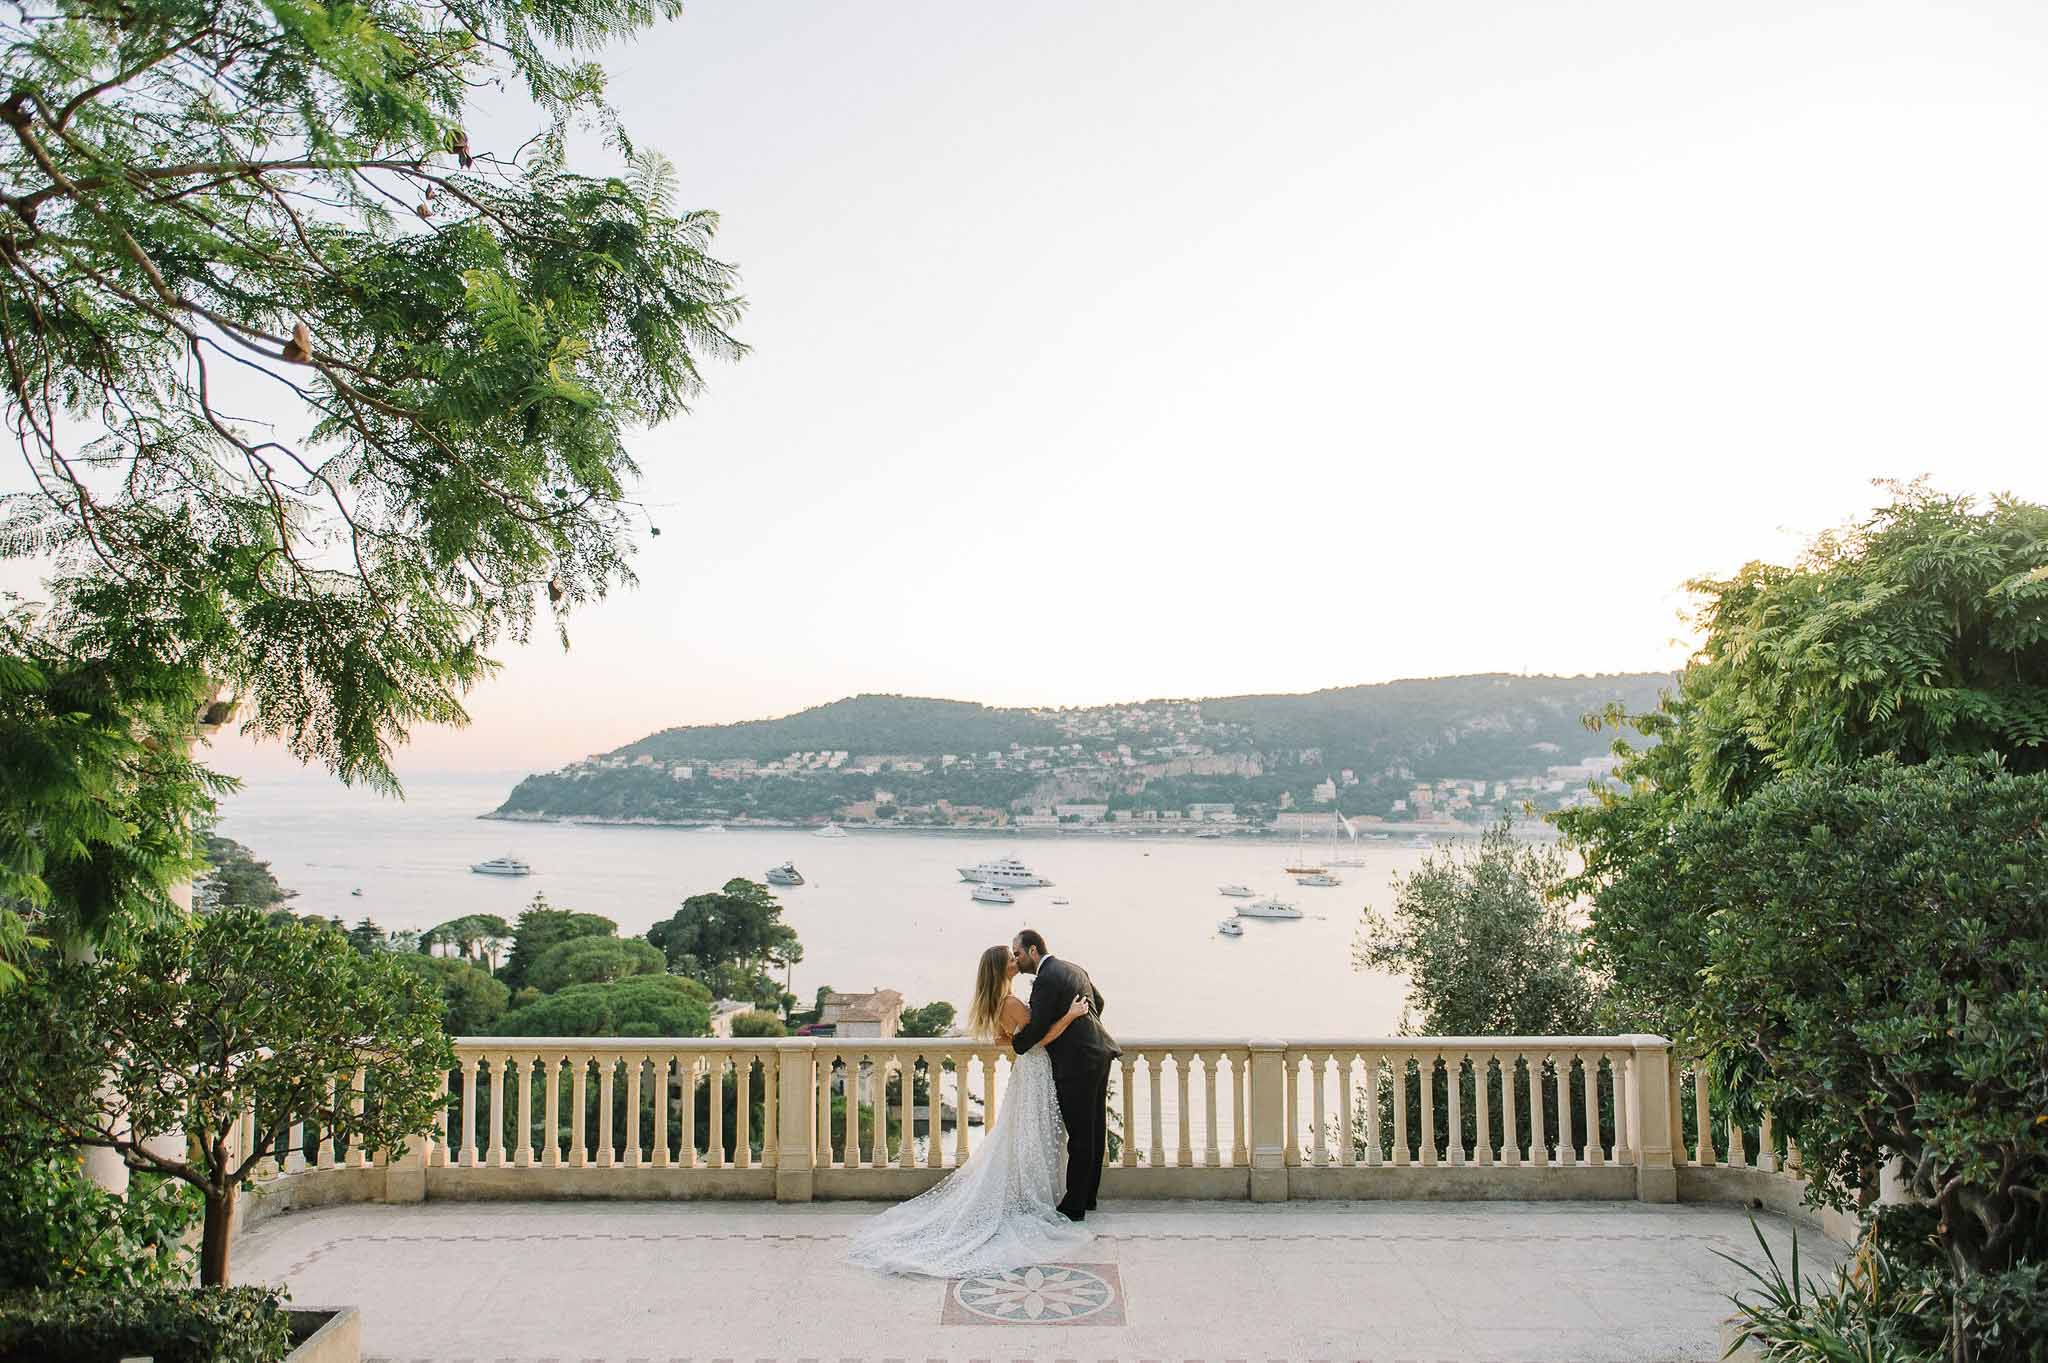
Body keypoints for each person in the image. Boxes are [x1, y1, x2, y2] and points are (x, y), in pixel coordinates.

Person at [845, 944, 1094, 1277]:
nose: (1016, 962)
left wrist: (1025, 1039)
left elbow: (1001, 1039)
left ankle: (1031, 1194)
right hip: (1035, 1072)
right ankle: (1035, 1199)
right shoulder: (1012, 1002)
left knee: (1024, 1135)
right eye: (1011, 960)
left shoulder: (997, 1002)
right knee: (1034, 1135)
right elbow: (1040, 1039)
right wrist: (1071, 1015)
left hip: (1027, 1072)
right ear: (1001, 968)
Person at [1008, 928, 1118, 1221]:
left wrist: (1016, 1043)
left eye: (1018, 953)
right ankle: (1088, 1197)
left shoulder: (1045, 980)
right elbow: (1100, 1003)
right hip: (1101, 1051)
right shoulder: (1073, 968)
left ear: (1033, 951)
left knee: (1080, 1135)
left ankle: (1074, 1206)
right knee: (1094, 1129)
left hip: (1078, 1062)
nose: (1016, 960)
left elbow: (1037, 1029)